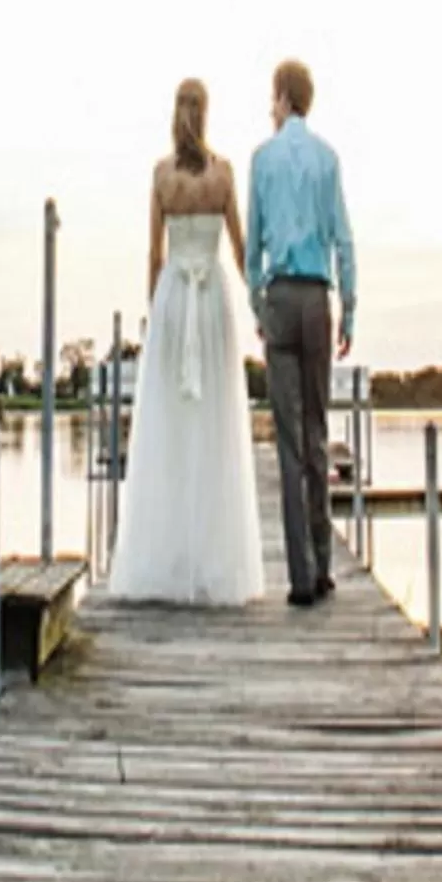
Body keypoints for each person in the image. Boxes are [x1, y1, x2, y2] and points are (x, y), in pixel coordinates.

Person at [105, 79, 265, 606]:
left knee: (170, 427)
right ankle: (212, 561)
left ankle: (168, 558)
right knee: (213, 424)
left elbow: (154, 255)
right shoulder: (223, 175)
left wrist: (155, 313)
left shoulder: (161, 176)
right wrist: (259, 305)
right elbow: (240, 250)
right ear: (207, 113)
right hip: (211, 300)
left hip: (175, 297)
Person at [245, 59, 356, 607]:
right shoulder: (328, 159)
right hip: (316, 299)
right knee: (316, 433)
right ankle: (324, 561)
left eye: (273, 98)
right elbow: (344, 241)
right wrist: (349, 309)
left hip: (280, 297)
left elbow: (253, 245)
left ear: (285, 98)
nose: (271, 107)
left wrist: (258, 305)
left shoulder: (261, 160)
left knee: (288, 443)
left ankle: (300, 578)